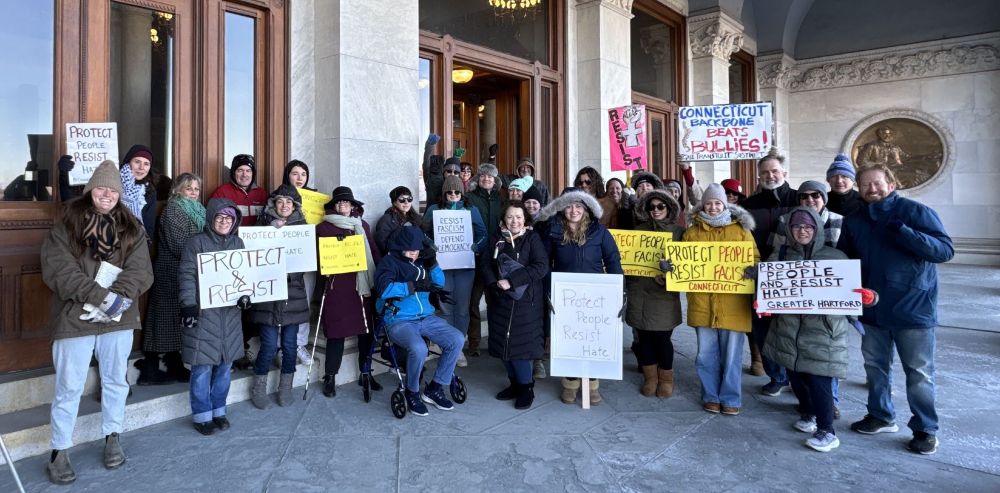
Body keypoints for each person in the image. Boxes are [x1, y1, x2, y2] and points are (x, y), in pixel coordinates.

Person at [40, 160, 153, 484]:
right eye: (101, 188)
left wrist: (117, 298)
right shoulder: (66, 226)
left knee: (116, 381)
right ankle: (59, 451)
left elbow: (140, 270)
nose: (107, 195)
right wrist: (99, 297)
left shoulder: (131, 228)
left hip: (118, 318)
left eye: (113, 190)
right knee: (69, 387)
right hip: (74, 317)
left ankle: (112, 436)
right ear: (91, 191)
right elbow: (59, 270)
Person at [837, 164, 954, 455]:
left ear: (891, 183)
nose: (871, 189)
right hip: (873, 310)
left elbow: (943, 251)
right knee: (875, 368)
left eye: (876, 183)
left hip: (913, 310)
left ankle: (925, 428)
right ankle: (880, 415)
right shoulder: (854, 220)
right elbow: (844, 262)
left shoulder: (915, 212)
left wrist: (905, 232)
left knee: (919, 372)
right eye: (865, 185)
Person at [762, 207, 877, 452]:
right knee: (795, 374)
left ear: (816, 229)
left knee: (819, 378)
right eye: (796, 227)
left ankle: (827, 430)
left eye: (807, 227)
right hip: (788, 329)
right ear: (789, 230)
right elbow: (767, 289)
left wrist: (869, 298)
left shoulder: (836, 257)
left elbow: (857, 290)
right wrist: (761, 299)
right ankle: (809, 414)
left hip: (824, 329)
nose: (802, 231)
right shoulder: (780, 256)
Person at [665, 183, 758, 415]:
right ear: (702, 205)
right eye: (709, 203)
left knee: (732, 357)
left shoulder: (742, 231)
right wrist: (670, 266)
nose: (714, 207)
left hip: (733, 305)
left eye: (718, 203)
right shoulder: (692, 232)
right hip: (703, 303)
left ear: (725, 204)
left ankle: (730, 398)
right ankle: (711, 396)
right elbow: (683, 264)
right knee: (705, 356)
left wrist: (754, 269)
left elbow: (754, 257)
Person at [537, 188, 623, 405]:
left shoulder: (600, 232)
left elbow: (613, 261)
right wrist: (548, 290)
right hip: (565, 295)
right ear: (562, 208)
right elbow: (545, 264)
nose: (573, 210)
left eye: (578, 206)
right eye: (569, 205)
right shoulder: (553, 231)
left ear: (586, 209)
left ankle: (592, 384)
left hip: (596, 297)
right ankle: (570, 383)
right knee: (569, 340)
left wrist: (618, 290)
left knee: (592, 339)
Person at [375, 225, 465, 416]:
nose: (412, 254)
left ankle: (435, 388)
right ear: (399, 248)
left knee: (456, 339)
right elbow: (384, 290)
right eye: (408, 250)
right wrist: (412, 286)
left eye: (416, 250)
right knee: (419, 348)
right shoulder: (389, 262)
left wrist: (433, 263)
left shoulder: (423, 261)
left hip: (426, 316)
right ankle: (412, 391)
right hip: (399, 319)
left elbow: (439, 283)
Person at [178, 198, 249, 436]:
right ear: (210, 218)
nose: (224, 222)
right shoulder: (196, 243)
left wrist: (245, 296)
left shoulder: (238, 243)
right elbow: (187, 274)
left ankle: (219, 410)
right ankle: (202, 415)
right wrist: (188, 304)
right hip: (203, 313)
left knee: (225, 366)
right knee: (202, 367)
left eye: (229, 218)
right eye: (219, 217)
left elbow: (244, 276)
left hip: (229, 314)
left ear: (234, 221)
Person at [248, 185, 311, 409]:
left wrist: (289, 273)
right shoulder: (262, 226)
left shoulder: (302, 228)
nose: (284, 206)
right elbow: (254, 257)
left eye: (289, 202)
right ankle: (258, 388)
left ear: (295, 206)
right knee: (268, 345)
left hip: (292, 294)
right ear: (274, 204)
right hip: (268, 296)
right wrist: (270, 233)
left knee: (290, 344)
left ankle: (285, 387)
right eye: (280, 201)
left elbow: (303, 261)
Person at [480, 202, 549, 409]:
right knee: (504, 347)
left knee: (520, 350)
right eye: (510, 217)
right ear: (503, 220)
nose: (514, 221)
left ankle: (526, 388)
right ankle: (514, 384)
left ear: (525, 220)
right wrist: (493, 284)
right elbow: (485, 264)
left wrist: (512, 281)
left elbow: (541, 267)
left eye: (518, 217)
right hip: (500, 301)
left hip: (526, 303)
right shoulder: (496, 239)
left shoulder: (532, 238)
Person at [316, 186, 383, 397]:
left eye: (347, 202)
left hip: (362, 285)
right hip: (337, 286)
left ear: (353, 205)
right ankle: (330, 375)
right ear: (334, 206)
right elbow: (319, 256)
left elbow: (372, 250)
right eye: (339, 202)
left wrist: (380, 277)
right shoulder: (323, 228)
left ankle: (365, 371)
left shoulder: (362, 225)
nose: (343, 205)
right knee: (336, 332)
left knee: (367, 330)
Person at [741, 148, 798, 397]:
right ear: (758, 176)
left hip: (792, 276)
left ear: (784, 172)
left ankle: (798, 377)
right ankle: (776, 375)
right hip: (757, 276)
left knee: (792, 330)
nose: (770, 175)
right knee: (761, 329)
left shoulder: (798, 199)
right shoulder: (748, 205)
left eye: (774, 171)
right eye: (765, 172)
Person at [139, 173, 204, 385]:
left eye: (196, 189)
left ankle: (174, 364)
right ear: (178, 190)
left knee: (177, 322)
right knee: (163, 320)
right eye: (189, 188)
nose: (193, 192)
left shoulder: (199, 211)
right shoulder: (174, 210)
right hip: (170, 270)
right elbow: (179, 244)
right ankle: (150, 370)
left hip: (187, 271)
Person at [422, 175, 487, 367]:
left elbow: (483, 234)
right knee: (445, 306)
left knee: (462, 307)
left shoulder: (471, 210)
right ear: (444, 193)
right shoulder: (434, 210)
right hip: (442, 266)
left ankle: (458, 347)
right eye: (449, 192)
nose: (453, 195)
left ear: (462, 193)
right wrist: (431, 244)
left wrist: (476, 246)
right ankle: (447, 345)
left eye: (456, 192)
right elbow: (423, 232)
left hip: (465, 266)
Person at [627, 189, 684, 398]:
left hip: (664, 296)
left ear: (668, 208)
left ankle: (666, 378)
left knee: (662, 339)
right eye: (651, 207)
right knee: (644, 339)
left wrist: (669, 274)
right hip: (640, 293)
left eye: (660, 206)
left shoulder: (678, 233)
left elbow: (687, 265)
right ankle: (650, 378)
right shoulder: (638, 230)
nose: (655, 210)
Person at [281, 159, 317, 365]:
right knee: (282, 304)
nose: (299, 178)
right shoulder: (278, 197)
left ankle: (299, 344)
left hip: (306, 258)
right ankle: (281, 346)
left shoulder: (314, 200)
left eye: (303, 174)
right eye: (295, 173)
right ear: (287, 175)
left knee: (304, 303)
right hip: (284, 262)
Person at [466, 163, 504, 356]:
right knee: (473, 301)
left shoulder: (501, 199)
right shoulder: (470, 198)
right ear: (478, 179)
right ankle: (474, 342)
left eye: (490, 177)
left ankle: (496, 341)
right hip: (476, 256)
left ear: (495, 180)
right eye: (483, 176)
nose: (486, 179)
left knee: (494, 301)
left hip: (496, 258)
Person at [210, 154, 267, 227]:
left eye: (248, 171)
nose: (244, 174)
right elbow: (212, 220)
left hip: (257, 237)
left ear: (253, 174)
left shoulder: (262, 194)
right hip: (231, 238)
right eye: (240, 170)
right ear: (234, 173)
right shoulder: (221, 193)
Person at [374, 185, 426, 257]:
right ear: (394, 202)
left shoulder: (416, 218)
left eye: (409, 199)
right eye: (402, 200)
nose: (406, 202)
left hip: (417, 257)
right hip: (398, 260)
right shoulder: (386, 220)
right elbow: (383, 246)